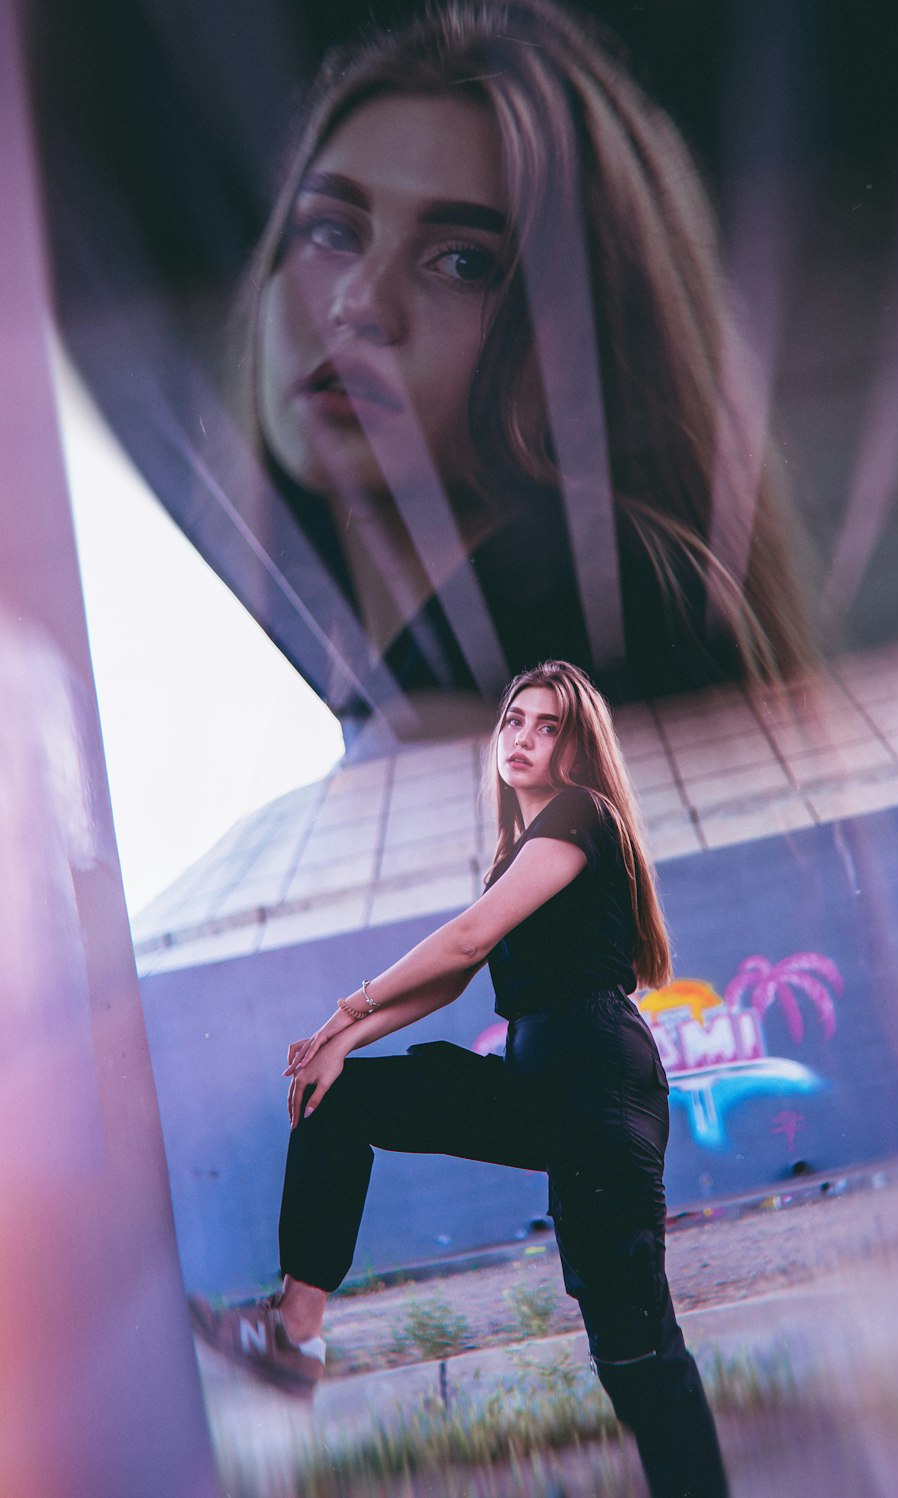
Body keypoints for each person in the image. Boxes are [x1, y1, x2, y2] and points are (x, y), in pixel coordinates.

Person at [192, 660, 730, 1498]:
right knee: (341, 1099)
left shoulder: (582, 816)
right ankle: (294, 1338)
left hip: (597, 1086)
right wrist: (341, 1044)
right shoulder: (519, 855)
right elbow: (451, 981)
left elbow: (467, 941)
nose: (524, 738)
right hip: (541, 1083)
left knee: (636, 1356)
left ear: (575, 747)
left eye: (549, 726)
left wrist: (343, 1009)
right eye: (515, 720)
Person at [232, 0, 813, 738]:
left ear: (584, 333)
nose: (360, 303)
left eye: (464, 261)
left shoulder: (589, 625)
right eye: (331, 231)